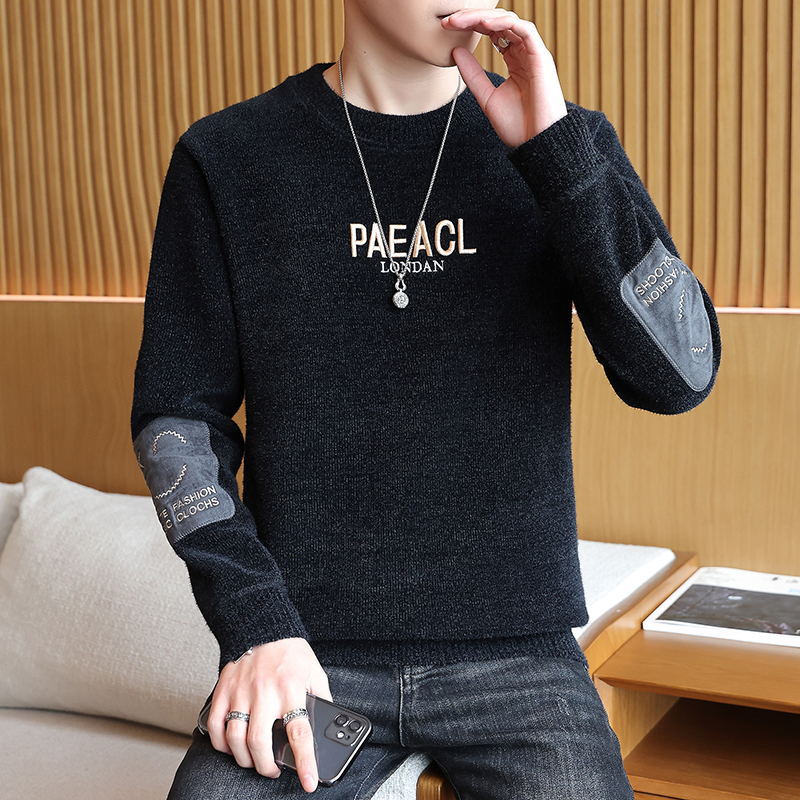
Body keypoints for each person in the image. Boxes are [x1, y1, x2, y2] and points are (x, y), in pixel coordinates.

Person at [131, 2, 721, 798]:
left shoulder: (562, 142)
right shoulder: (230, 155)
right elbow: (177, 420)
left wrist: (558, 158)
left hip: (519, 661)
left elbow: (680, 376)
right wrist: (255, 624)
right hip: (309, 653)